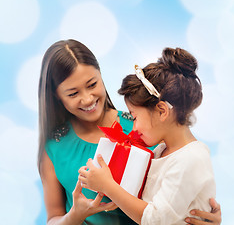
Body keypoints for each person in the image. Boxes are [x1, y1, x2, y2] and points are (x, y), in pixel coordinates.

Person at [38, 39, 221, 225]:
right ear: (56, 96)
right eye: (73, 93)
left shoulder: (148, 131)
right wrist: (76, 214)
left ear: (101, 75)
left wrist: (204, 213)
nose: (87, 99)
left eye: (92, 84)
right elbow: (53, 218)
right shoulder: (55, 146)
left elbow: (177, 194)